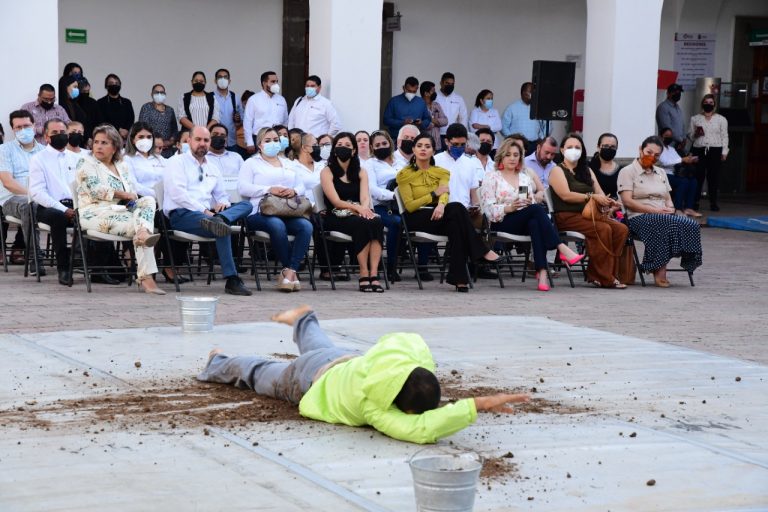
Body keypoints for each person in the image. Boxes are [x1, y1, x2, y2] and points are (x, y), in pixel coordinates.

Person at [199, 305, 530, 444]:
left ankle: (304, 319)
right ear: (404, 407)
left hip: (343, 359)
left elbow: (412, 346)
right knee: (259, 374)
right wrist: (478, 405)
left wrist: (483, 402)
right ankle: (217, 361)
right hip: (306, 381)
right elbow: (423, 430)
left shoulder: (401, 358)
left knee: (318, 344)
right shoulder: (375, 409)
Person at [396, 133, 509, 292]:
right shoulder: (404, 174)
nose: (423, 149)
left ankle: (459, 278)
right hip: (416, 217)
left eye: (427, 146)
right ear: (413, 149)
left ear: (433, 151)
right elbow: (409, 206)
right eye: (419, 146)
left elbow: (445, 193)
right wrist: (433, 195)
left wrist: (441, 205)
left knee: (456, 223)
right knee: (457, 210)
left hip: (438, 215)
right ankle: (481, 252)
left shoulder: (441, 172)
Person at [480, 139, 583, 291]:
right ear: (501, 156)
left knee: (535, 221)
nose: (513, 158)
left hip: (523, 220)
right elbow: (488, 210)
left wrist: (529, 199)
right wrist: (509, 207)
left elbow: (525, 200)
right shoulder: (492, 177)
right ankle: (561, 248)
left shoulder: (523, 177)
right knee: (536, 210)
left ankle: (542, 273)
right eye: (508, 155)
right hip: (502, 221)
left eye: (516, 155)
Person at [75, 124, 164, 294]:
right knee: (138, 228)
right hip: (95, 212)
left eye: (104, 143)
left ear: (115, 146)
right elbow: (95, 190)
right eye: (96, 142)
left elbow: (131, 192)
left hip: (122, 210)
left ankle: (143, 233)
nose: (99, 146)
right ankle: (147, 278)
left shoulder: (121, 164)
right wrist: (124, 195)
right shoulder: (85, 162)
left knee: (148, 200)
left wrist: (132, 202)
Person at [163, 126, 253, 295]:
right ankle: (232, 279)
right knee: (220, 227)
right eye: (198, 139)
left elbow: (222, 195)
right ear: (189, 140)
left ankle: (222, 219)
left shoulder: (213, 167)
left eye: (205, 140)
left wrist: (223, 204)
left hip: (210, 217)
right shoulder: (176, 162)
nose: (202, 144)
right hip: (182, 214)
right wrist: (205, 211)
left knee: (246, 206)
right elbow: (178, 194)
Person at [618, 135, 703, 287]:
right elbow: (627, 201)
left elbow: (667, 196)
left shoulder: (661, 172)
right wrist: (654, 211)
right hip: (638, 216)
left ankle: (686, 261)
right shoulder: (627, 171)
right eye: (649, 152)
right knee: (663, 224)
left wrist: (670, 208)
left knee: (691, 224)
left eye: (656, 155)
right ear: (640, 149)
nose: (652, 157)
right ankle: (659, 268)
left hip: (662, 214)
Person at [548, 133, 629, 288]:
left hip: (589, 214)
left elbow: (599, 193)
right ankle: (605, 277)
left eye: (577, 147)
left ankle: (600, 272)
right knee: (603, 229)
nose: (574, 150)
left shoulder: (587, 170)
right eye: (570, 147)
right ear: (562, 150)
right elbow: (565, 195)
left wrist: (609, 202)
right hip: (566, 216)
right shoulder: (557, 170)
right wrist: (590, 197)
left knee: (621, 229)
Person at [239, 127, 313, 292]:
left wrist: (294, 191)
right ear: (259, 145)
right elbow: (243, 188)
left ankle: (290, 272)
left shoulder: (289, 163)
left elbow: (301, 185)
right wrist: (268, 189)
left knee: (306, 226)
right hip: (259, 211)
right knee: (276, 225)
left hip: (288, 209)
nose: (272, 143)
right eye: (267, 140)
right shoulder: (251, 163)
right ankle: (289, 272)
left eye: (275, 140)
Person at [124, 122, 189, 285]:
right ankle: (156, 267)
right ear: (132, 140)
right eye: (141, 137)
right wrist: (157, 196)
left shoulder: (161, 160)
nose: (145, 140)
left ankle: (171, 265)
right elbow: (132, 185)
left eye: (148, 137)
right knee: (167, 220)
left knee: (180, 219)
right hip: (139, 204)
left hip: (163, 203)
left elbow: (171, 180)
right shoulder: (127, 160)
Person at [320, 132, 386, 292]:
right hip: (335, 215)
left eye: (348, 146)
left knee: (376, 221)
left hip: (358, 212)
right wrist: (358, 209)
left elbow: (365, 197)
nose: (343, 148)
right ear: (334, 149)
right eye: (339, 145)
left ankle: (374, 274)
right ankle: (363, 273)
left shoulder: (361, 171)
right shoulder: (327, 172)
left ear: (354, 150)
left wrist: (364, 209)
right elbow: (335, 201)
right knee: (361, 224)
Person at [28, 119, 81, 284]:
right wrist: (63, 209)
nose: (60, 136)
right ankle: (64, 269)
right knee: (59, 217)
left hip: (75, 204)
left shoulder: (76, 158)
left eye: (63, 133)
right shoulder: (38, 159)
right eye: (55, 133)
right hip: (48, 206)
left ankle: (99, 267)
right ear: (47, 137)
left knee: (96, 213)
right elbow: (37, 192)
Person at [0, 110, 45, 270]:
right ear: (12, 129)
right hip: (12, 200)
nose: (22, 130)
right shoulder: (4, 150)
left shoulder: (44, 151)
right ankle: (35, 257)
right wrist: (35, 196)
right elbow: (8, 183)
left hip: (44, 199)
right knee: (29, 206)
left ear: (34, 125)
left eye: (26, 125)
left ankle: (76, 255)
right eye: (18, 127)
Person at [365, 130, 403, 281]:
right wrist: (393, 196)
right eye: (377, 145)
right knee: (396, 223)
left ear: (390, 143)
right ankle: (391, 267)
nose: (381, 147)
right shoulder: (370, 164)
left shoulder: (400, 163)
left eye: (384, 144)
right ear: (372, 148)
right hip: (381, 206)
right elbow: (373, 190)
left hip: (402, 205)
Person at [689, 94, 729, 212]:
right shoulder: (695, 118)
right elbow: (690, 136)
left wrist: (724, 151)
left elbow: (724, 136)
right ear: (702, 104)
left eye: (711, 102)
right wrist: (696, 134)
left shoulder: (721, 119)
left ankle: (713, 202)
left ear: (714, 105)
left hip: (715, 149)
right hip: (699, 148)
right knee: (698, 176)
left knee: (713, 177)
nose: (708, 104)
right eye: (706, 102)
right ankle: (695, 201)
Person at [434, 124, 483, 214]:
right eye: (455, 144)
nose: (459, 147)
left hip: (466, 213)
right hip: (443, 212)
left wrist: (476, 207)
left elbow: (474, 193)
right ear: (446, 141)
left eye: (462, 144)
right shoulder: (435, 161)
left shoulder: (470, 163)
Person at [658, 127, 701, 217]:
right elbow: (665, 162)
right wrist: (682, 159)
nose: (669, 138)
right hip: (663, 174)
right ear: (661, 136)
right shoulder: (659, 148)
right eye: (667, 136)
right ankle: (678, 208)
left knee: (693, 181)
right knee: (683, 182)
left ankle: (689, 208)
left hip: (674, 173)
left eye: (670, 136)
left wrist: (689, 159)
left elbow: (679, 160)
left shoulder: (671, 149)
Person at [243, 71, 288, 155]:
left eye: (277, 81)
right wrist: (249, 142)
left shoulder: (281, 99)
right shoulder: (254, 100)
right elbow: (247, 122)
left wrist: (284, 137)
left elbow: (285, 121)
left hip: (277, 138)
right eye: (273, 81)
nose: (276, 84)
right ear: (264, 83)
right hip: (259, 138)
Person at [501, 83, 543, 154]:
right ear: (523, 93)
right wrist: (512, 139)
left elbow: (545, 125)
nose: (533, 94)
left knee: (532, 165)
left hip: (534, 145)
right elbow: (503, 126)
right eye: (531, 92)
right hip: (517, 145)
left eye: (534, 92)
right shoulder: (512, 108)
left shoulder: (538, 108)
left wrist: (541, 137)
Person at [212, 68, 244, 155]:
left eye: (225, 77)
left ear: (229, 81)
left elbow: (241, 118)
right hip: (214, 141)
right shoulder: (210, 97)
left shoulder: (235, 97)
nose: (223, 79)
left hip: (231, 141)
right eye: (220, 77)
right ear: (215, 80)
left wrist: (238, 120)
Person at [289, 132, 325, 205]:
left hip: (326, 208)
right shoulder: (291, 167)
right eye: (315, 145)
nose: (318, 147)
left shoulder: (322, 165)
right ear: (304, 148)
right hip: (305, 209)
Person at [97, 74, 134, 140]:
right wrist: (118, 130)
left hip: (125, 138)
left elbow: (131, 119)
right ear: (106, 86)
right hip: (107, 136)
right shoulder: (100, 102)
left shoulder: (127, 102)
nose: (114, 85)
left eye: (117, 83)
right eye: (111, 83)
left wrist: (126, 130)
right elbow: (101, 121)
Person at [434, 72, 467, 145]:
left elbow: (463, 118)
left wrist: (462, 134)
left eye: (452, 84)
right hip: (436, 135)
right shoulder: (434, 97)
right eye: (447, 83)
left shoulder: (459, 99)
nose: (450, 86)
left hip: (453, 136)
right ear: (441, 83)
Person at [588, 133, 620, 199]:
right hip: (592, 204)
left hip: (615, 206)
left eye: (613, 147)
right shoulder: (589, 166)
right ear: (598, 147)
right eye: (606, 146)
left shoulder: (621, 170)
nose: (609, 149)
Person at [58, 76, 89, 145]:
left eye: (77, 87)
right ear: (65, 87)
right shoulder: (59, 105)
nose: (77, 89)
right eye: (74, 87)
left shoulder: (74, 104)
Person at [655, 83, 685, 148]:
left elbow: (682, 125)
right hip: (667, 144)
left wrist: (684, 138)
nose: (678, 94)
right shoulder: (663, 107)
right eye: (675, 92)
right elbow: (667, 128)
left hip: (678, 145)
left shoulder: (677, 107)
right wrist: (681, 140)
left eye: (679, 92)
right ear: (668, 93)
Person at [421, 81, 448, 152]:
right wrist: (434, 123)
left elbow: (445, 121)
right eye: (432, 91)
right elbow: (423, 124)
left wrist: (432, 120)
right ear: (426, 93)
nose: (435, 93)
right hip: (425, 146)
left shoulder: (436, 105)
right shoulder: (419, 105)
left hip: (437, 145)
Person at [75, 77, 101, 142]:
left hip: (92, 137)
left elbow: (98, 121)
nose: (86, 93)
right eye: (83, 91)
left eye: (88, 91)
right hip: (78, 136)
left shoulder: (93, 102)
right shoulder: (74, 103)